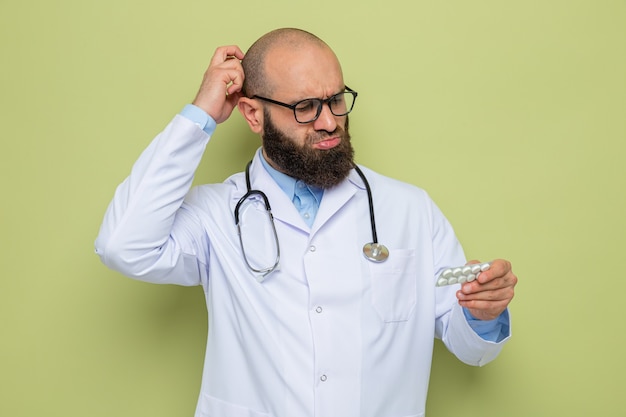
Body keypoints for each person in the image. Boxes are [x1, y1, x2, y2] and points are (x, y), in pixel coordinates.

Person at [95, 28, 517, 417]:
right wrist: (200, 115)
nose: (330, 121)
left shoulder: (409, 209)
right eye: (305, 107)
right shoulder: (216, 216)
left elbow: (471, 349)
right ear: (253, 115)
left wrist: (482, 312)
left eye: (335, 99)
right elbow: (123, 245)